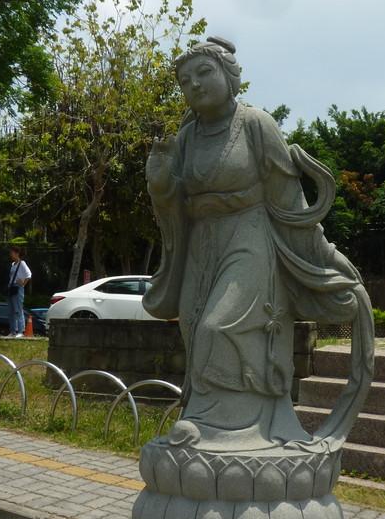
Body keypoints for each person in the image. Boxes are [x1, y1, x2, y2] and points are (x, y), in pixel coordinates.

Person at [143, 36, 373, 452]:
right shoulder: (188, 136)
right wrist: (160, 183)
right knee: (193, 325)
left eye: (204, 72)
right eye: (185, 81)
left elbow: (289, 200)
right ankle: (200, 418)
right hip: (201, 240)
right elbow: (175, 200)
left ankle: (232, 429)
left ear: (230, 76)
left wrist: (322, 254)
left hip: (249, 234)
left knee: (218, 326)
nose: (195, 85)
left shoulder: (255, 124)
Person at [6, 246, 32, 337]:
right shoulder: (13, 264)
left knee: (18, 310)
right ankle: (13, 331)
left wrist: (23, 283)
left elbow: (29, 274)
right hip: (11, 287)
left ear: (17, 253)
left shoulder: (22, 263)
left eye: (12, 253)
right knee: (11, 311)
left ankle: (21, 331)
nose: (10, 254)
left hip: (18, 288)